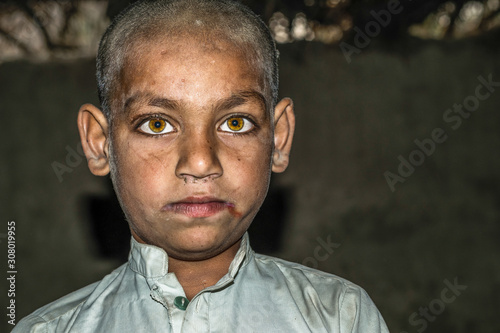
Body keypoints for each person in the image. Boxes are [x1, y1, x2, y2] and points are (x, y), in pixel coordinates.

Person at [14, 0, 389, 331]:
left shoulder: (341, 318)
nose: (199, 162)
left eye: (236, 123)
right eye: (157, 124)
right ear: (100, 144)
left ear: (278, 139)